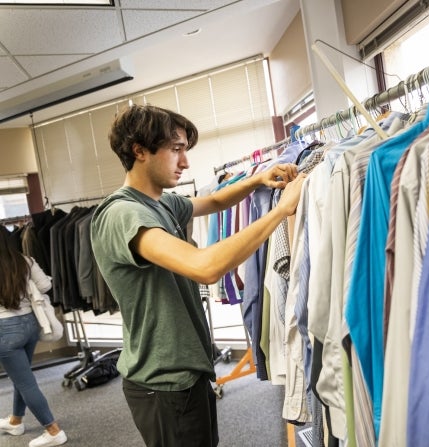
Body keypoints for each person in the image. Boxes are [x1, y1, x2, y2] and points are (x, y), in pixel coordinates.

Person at [90, 104, 306, 447]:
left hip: (185, 371)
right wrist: (280, 211)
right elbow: (204, 267)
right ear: (139, 150)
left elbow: (215, 201)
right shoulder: (122, 214)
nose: (186, 162)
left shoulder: (160, 202)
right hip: (163, 382)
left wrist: (257, 180)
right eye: (176, 150)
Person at [0, 227, 68, 447]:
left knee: (26, 383)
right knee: (23, 377)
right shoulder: (24, 261)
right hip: (30, 324)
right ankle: (15, 421)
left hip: (5, 330)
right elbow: (45, 286)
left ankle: (53, 430)